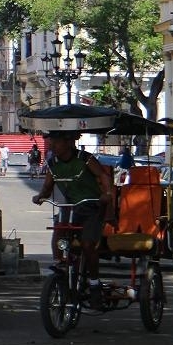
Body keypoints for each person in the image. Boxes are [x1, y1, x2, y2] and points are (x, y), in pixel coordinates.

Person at [32, 131, 116, 308]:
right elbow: (47, 187)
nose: (52, 145)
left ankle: (94, 284)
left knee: (87, 244)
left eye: (56, 142)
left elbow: (104, 176)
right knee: (59, 234)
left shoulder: (84, 158)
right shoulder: (52, 163)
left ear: (68, 142)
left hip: (92, 207)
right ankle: (61, 265)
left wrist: (108, 193)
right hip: (71, 208)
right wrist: (40, 196)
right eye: (51, 142)